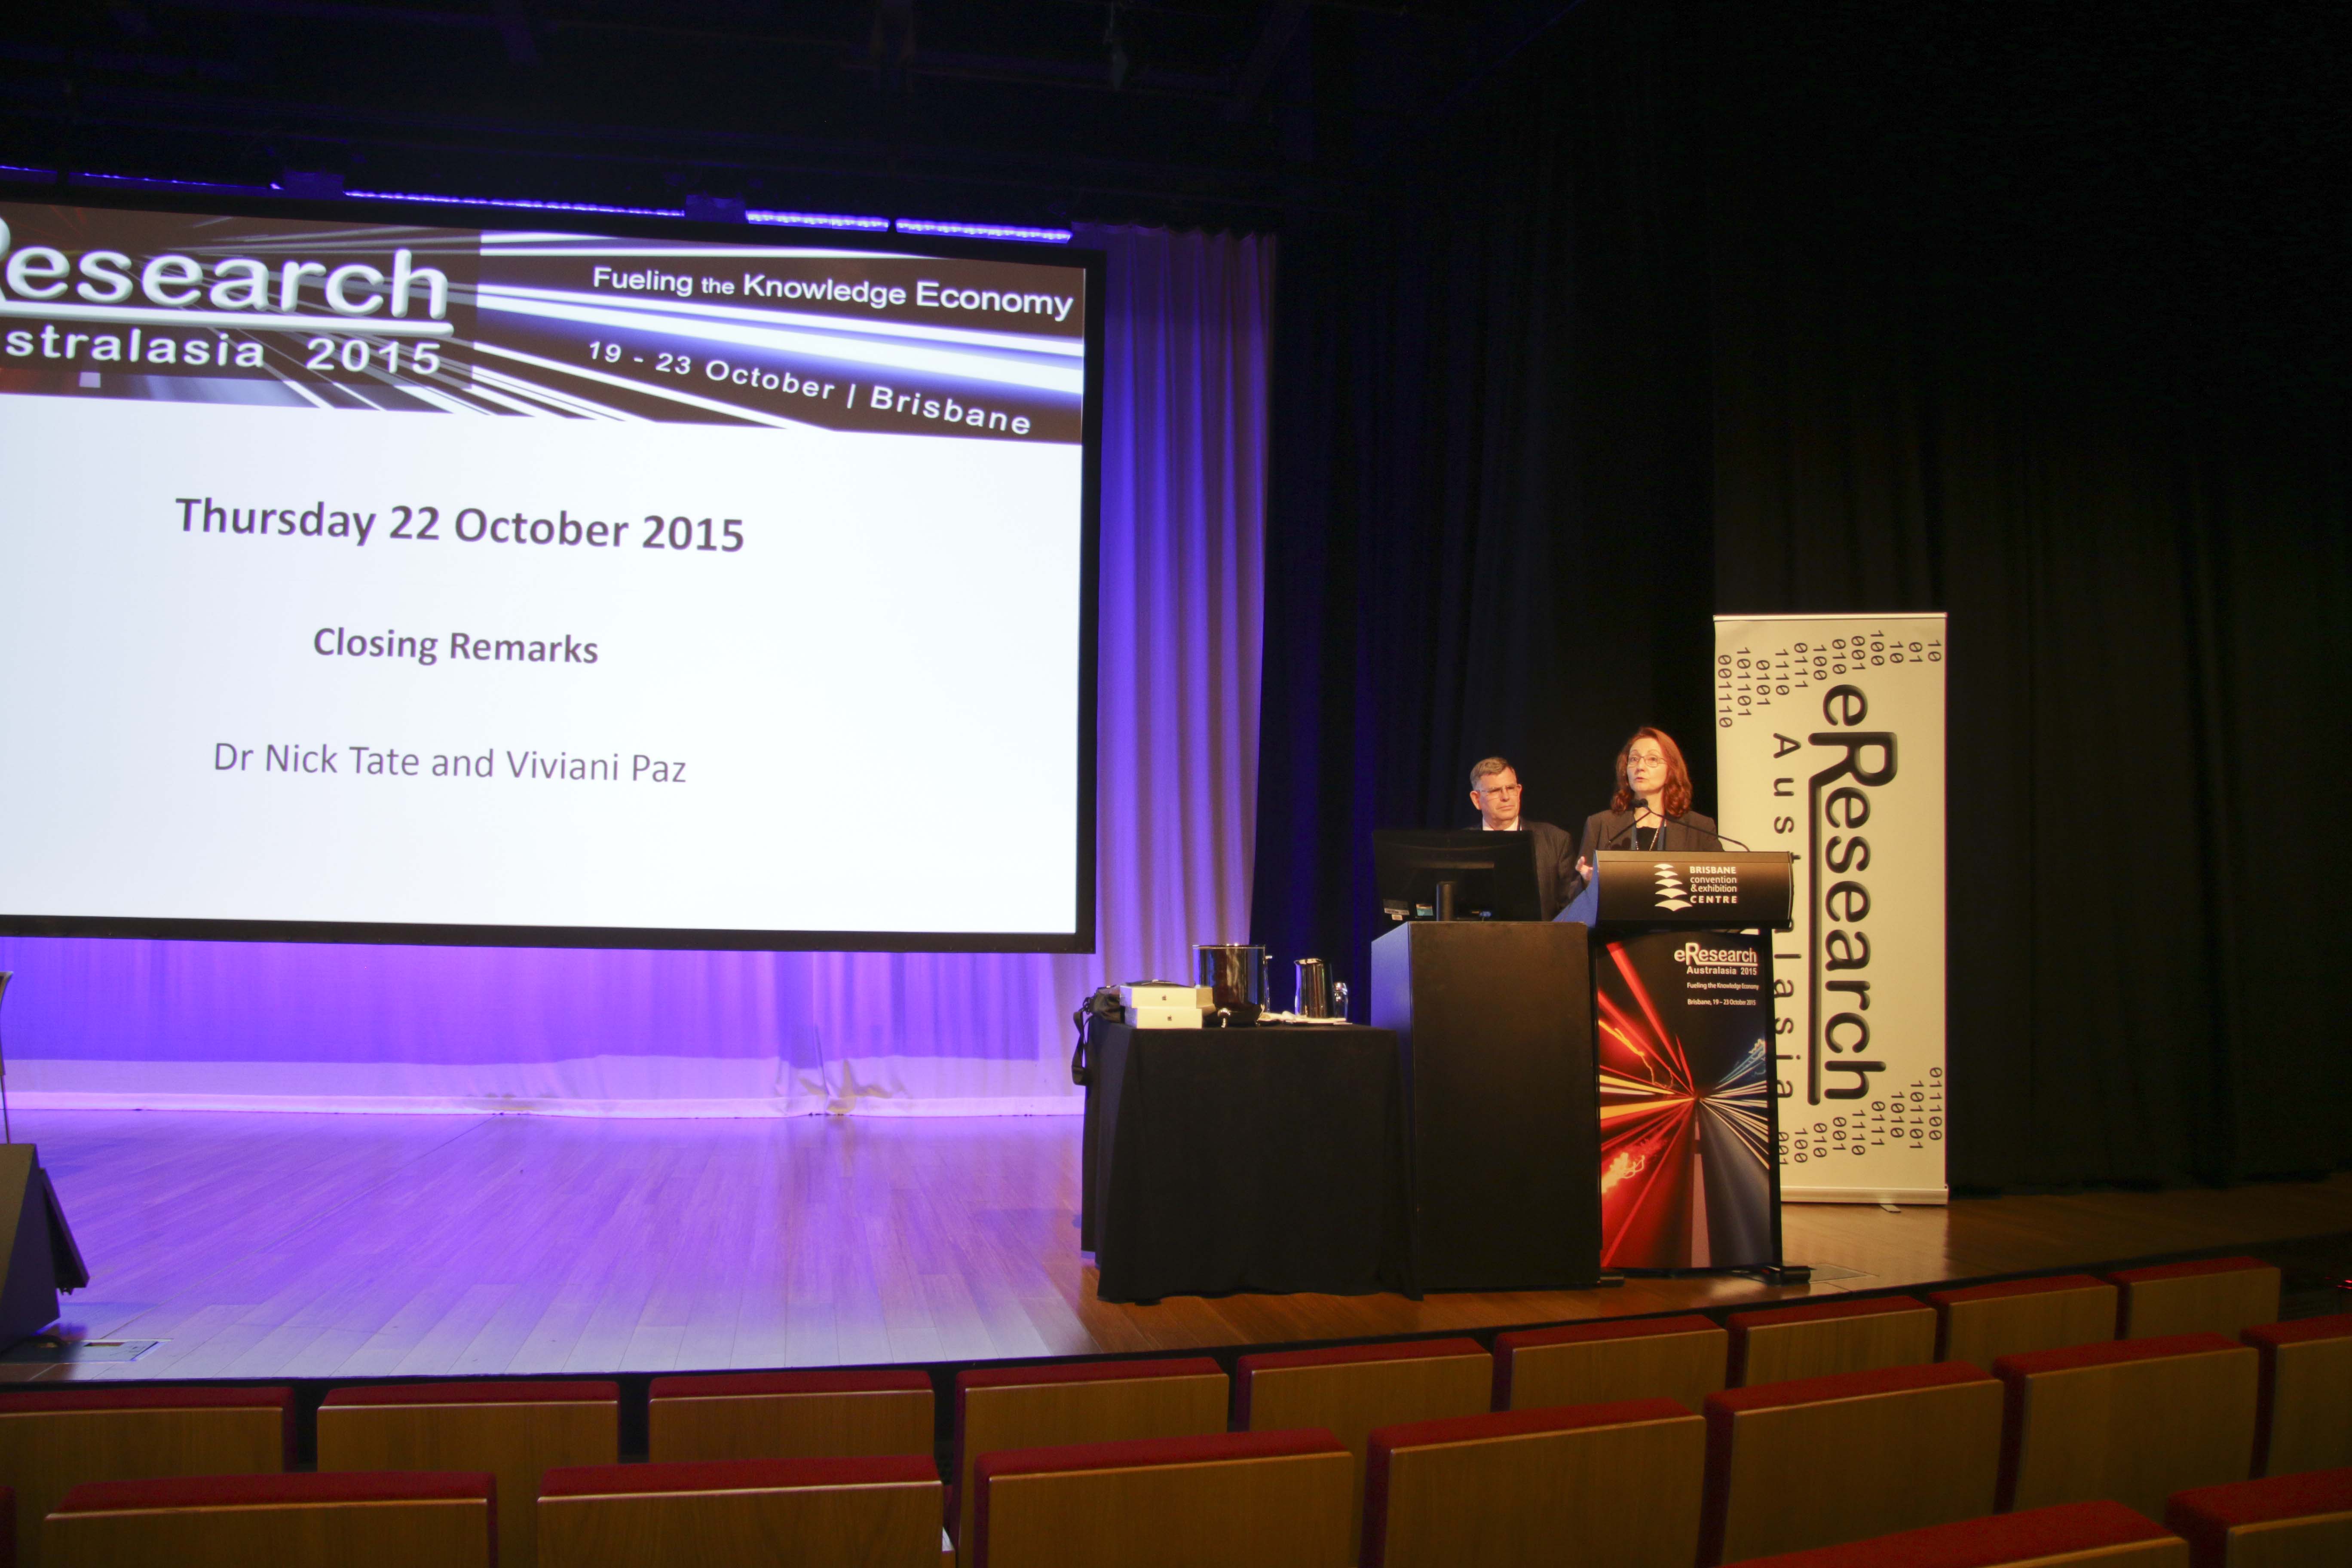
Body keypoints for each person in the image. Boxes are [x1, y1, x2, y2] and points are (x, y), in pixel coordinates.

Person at [1564, 727, 1721, 903]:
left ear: (1671, 769)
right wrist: (1589, 882)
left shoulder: (1699, 828)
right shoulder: (1600, 824)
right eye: (1634, 759)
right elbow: (1574, 898)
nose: (1640, 767)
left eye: (1652, 759)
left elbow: (1721, 886)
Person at [1468, 756, 1580, 921]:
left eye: (1511, 788)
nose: (1506, 797)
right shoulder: (1462, 845)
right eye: (1495, 790)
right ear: (1477, 799)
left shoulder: (1556, 840)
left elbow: (1570, 909)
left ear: (1519, 791)